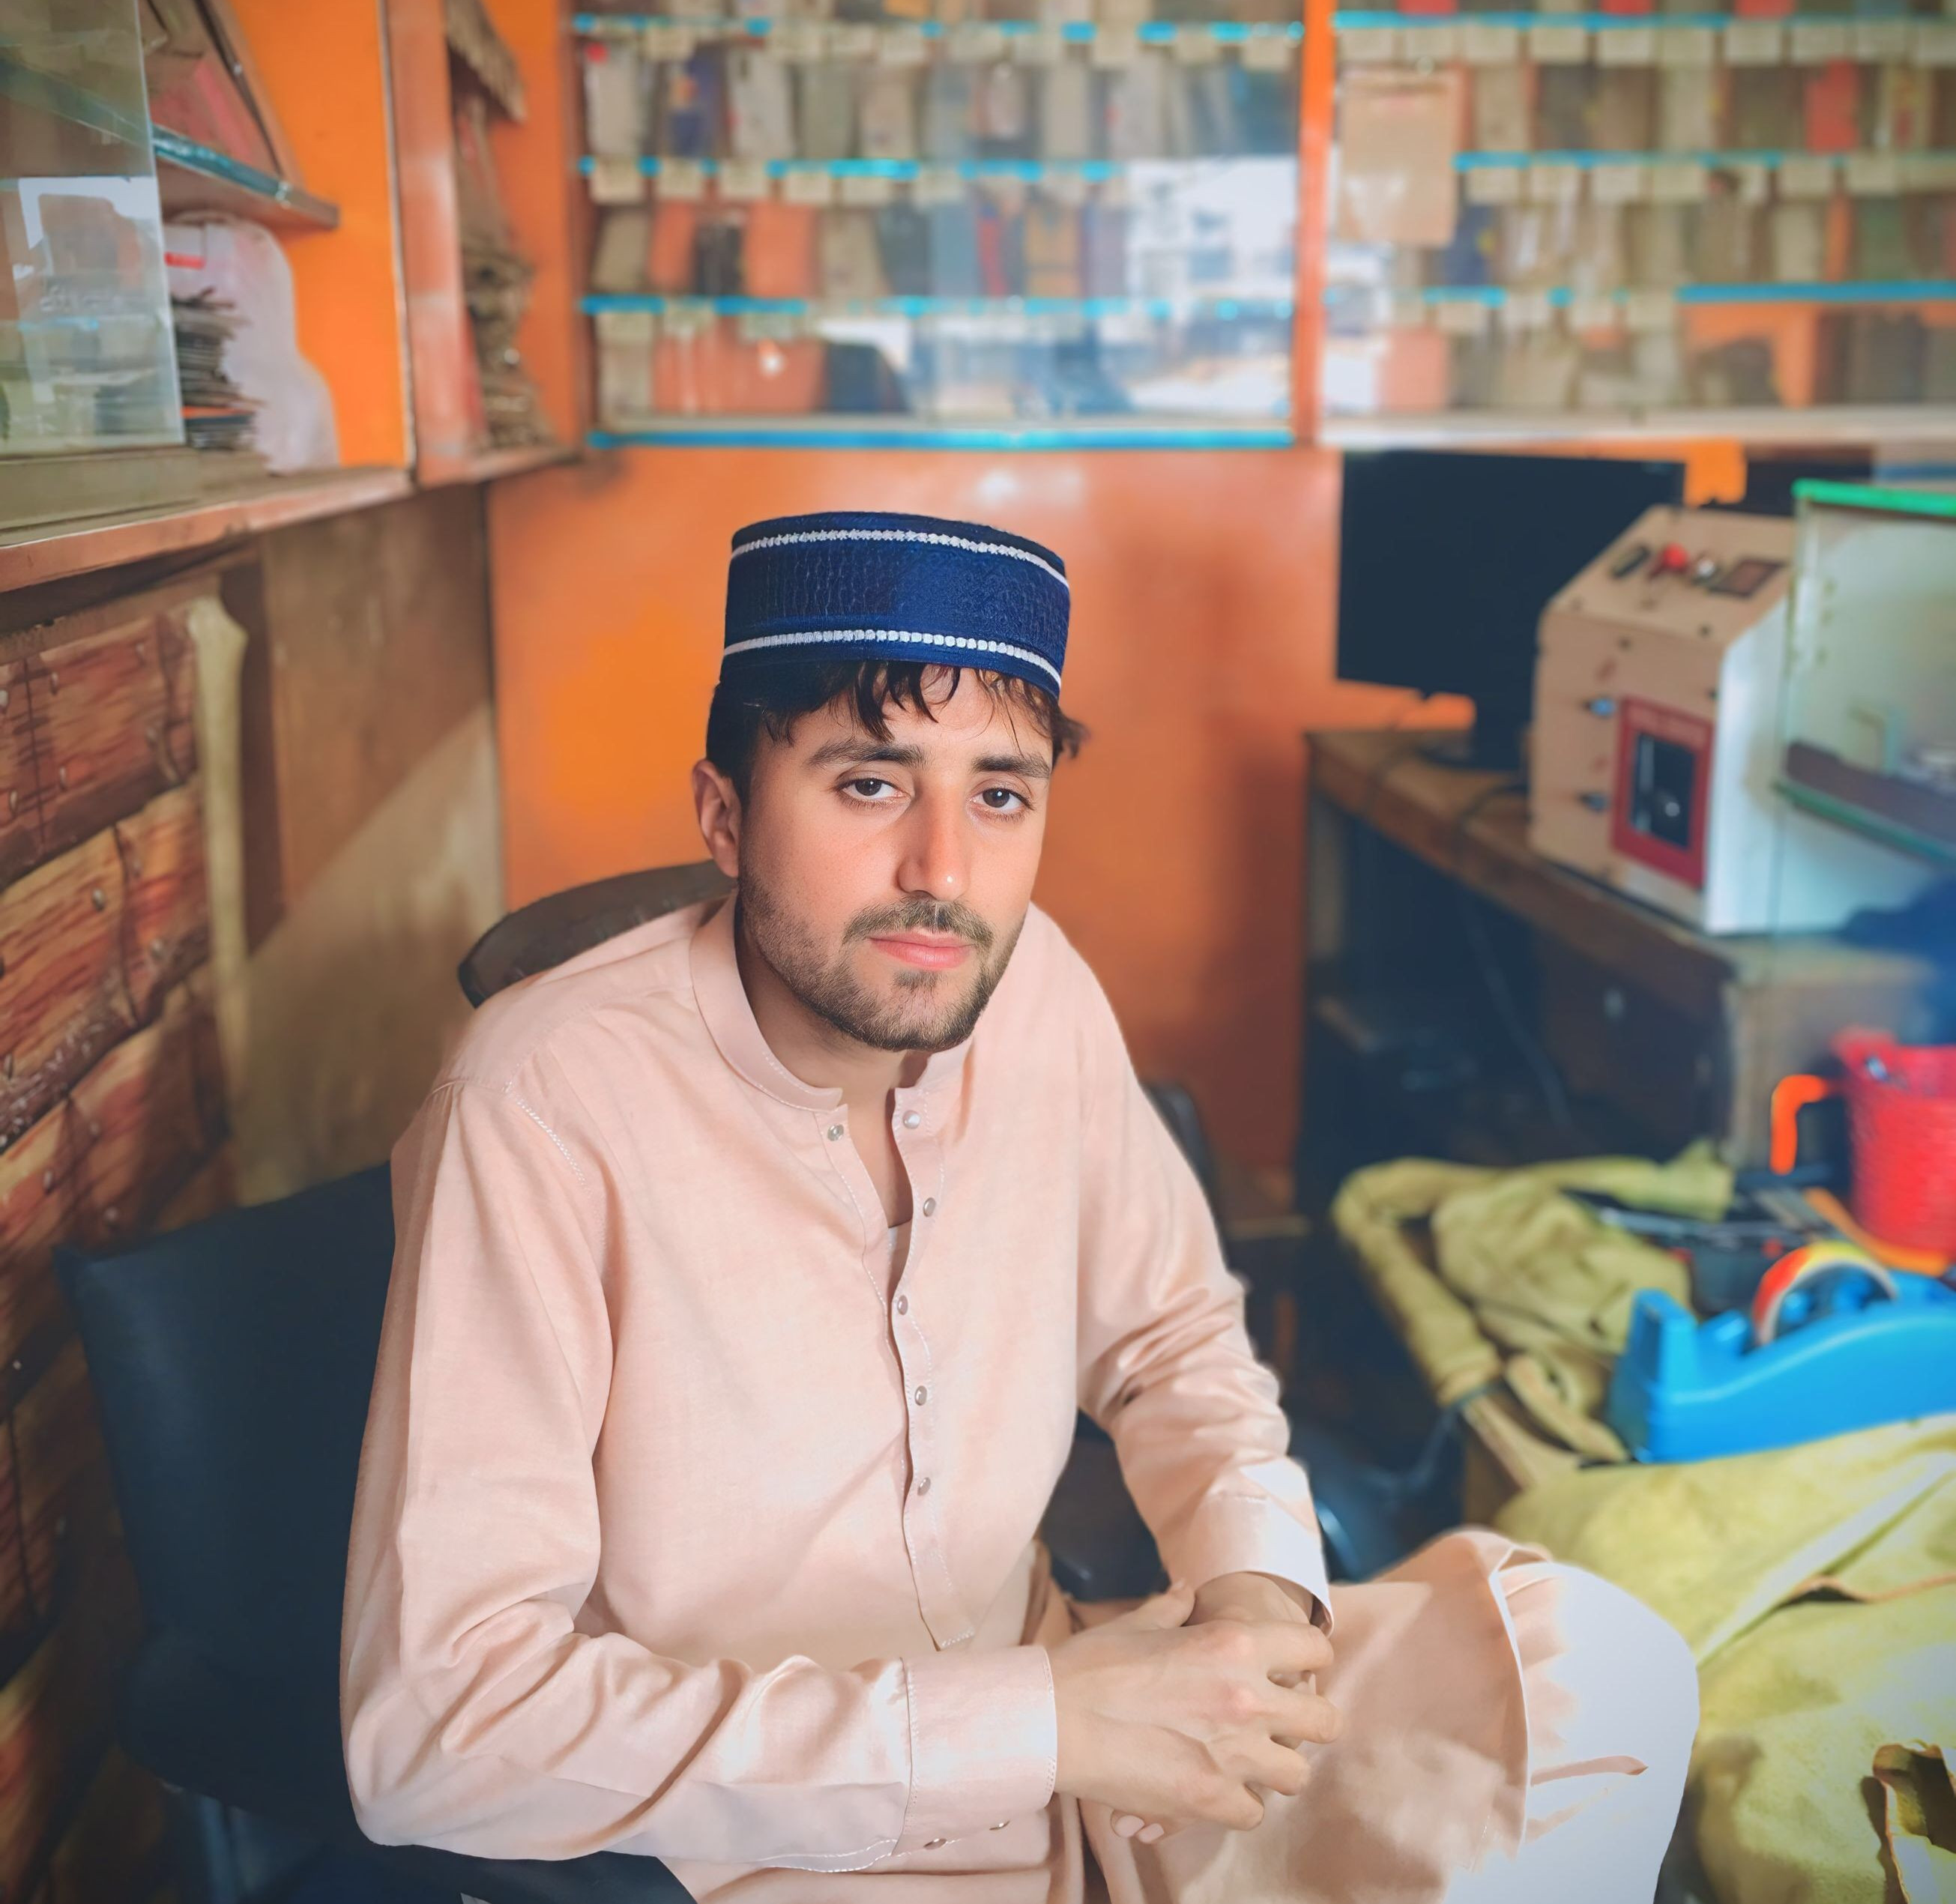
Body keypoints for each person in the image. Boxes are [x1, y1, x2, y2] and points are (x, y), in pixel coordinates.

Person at [340, 511, 1698, 1903]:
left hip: (1103, 1732)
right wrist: (1030, 1723)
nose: (943, 871)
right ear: (725, 815)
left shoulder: (1031, 981)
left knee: (1601, 1675)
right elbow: (435, 1728)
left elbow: (1170, 1335)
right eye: (869, 783)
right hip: (781, 1845)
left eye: (998, 794)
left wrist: (1247, 1605)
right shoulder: (537, 1100)